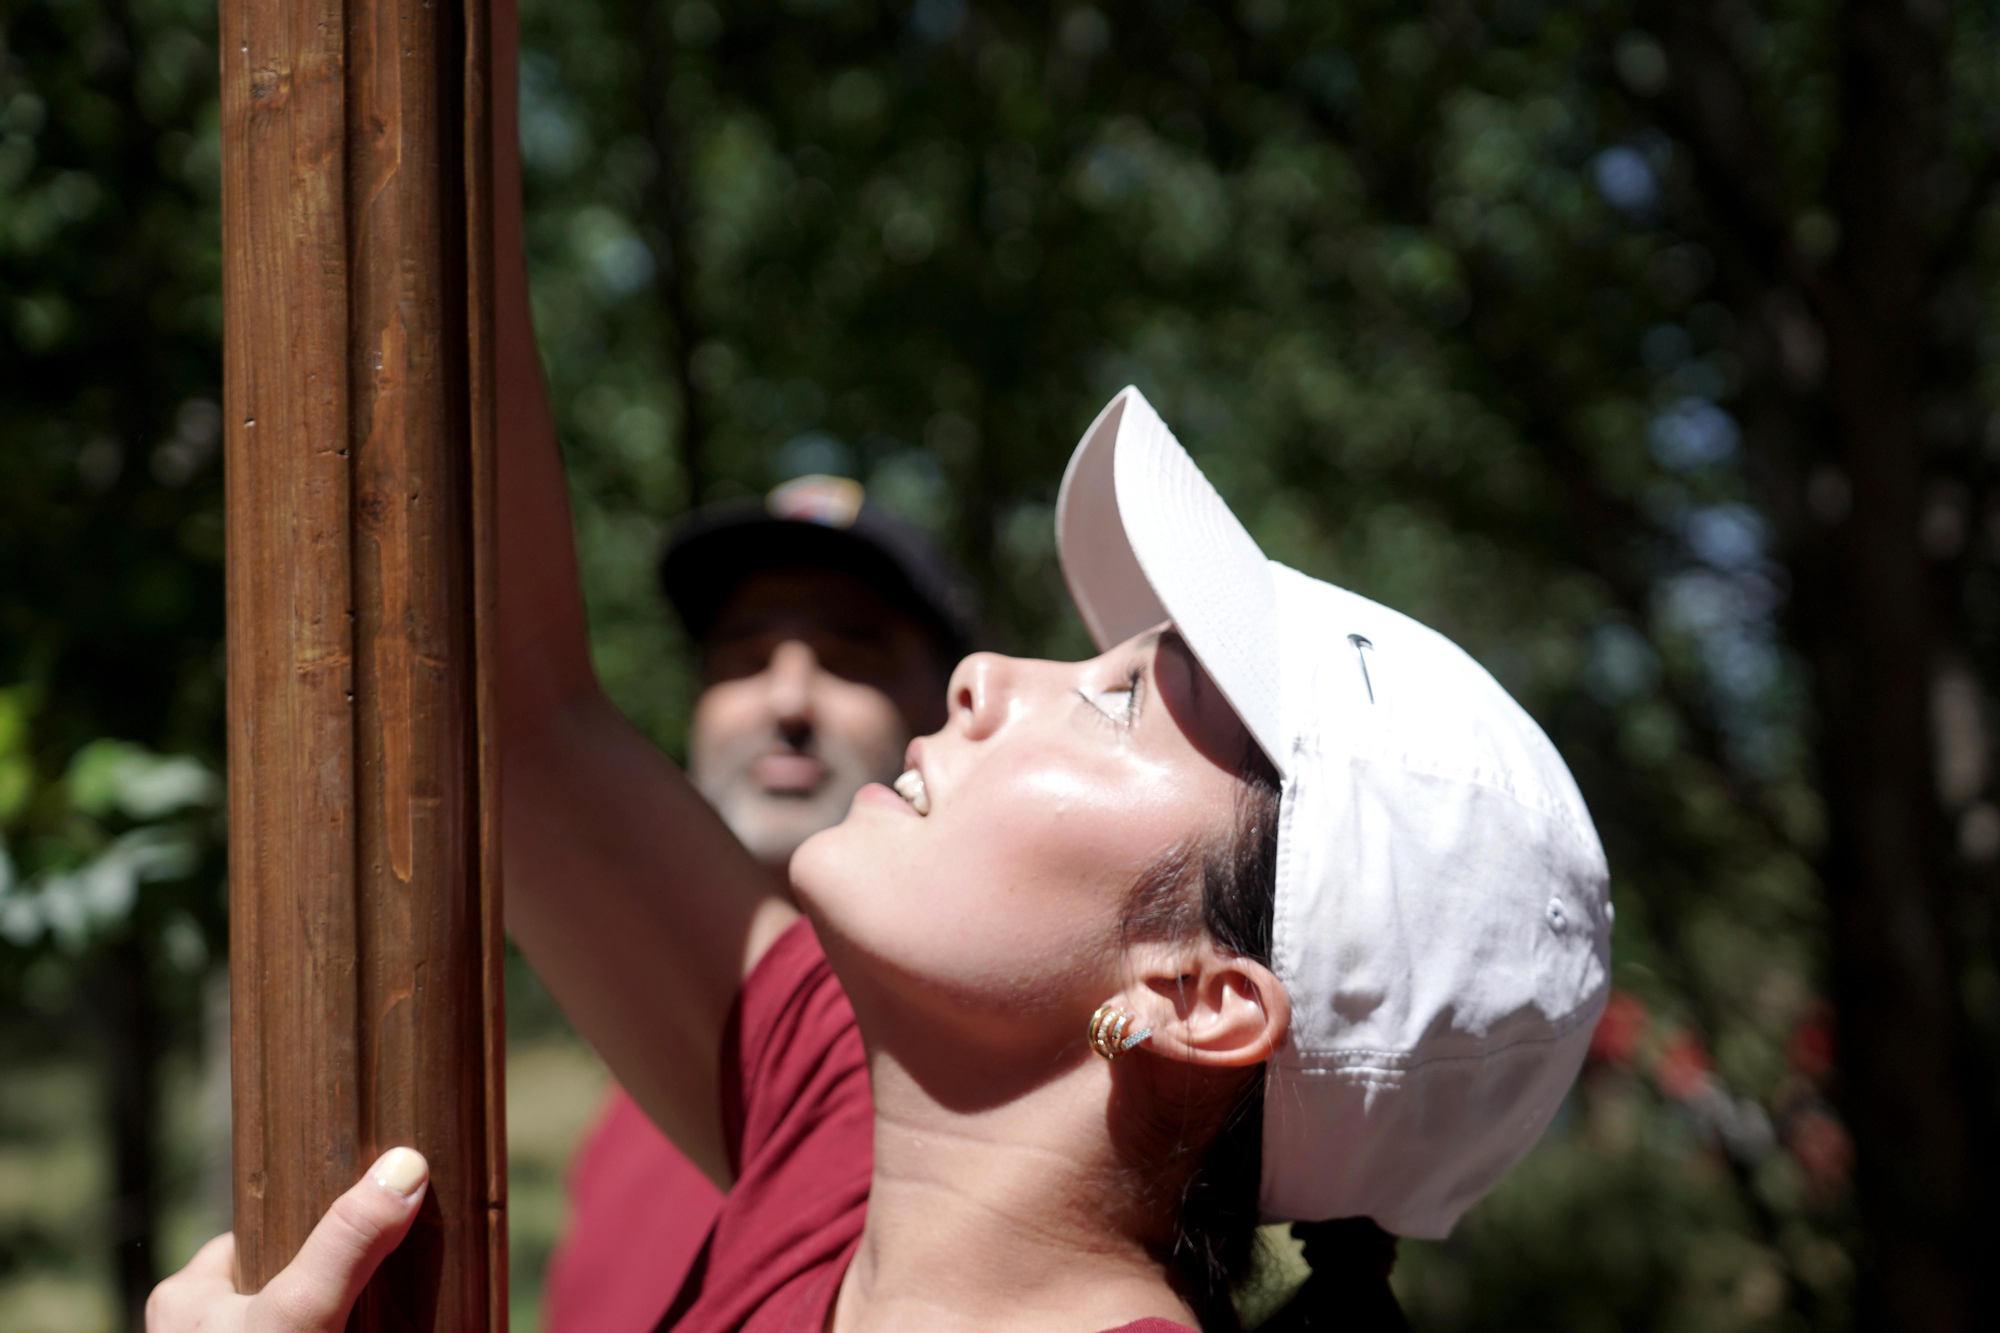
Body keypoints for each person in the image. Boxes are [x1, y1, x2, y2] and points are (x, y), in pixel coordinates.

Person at [145, 6, 1610, 1330]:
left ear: (1195, 1002)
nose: (985, 674)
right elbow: (508, 708)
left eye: (1115, 702)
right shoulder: (840, 1129)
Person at [545, 472, 979, 1333]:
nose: (786, 702)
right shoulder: (631, 1078)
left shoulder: (956, 1090)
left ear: (942, 708)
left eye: (849, 658)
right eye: (743, 658)